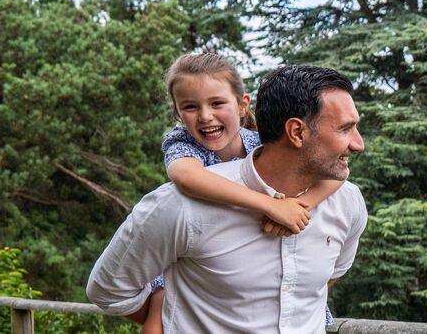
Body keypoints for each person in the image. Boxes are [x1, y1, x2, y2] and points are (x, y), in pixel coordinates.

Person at [88, 65, 369, 334]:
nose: (359, 144)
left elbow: (326, 280)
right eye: (345, 129)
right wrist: (171, 316)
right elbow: (109, 290)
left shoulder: (347, 203)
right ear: (296, 132)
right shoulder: (179, 206)